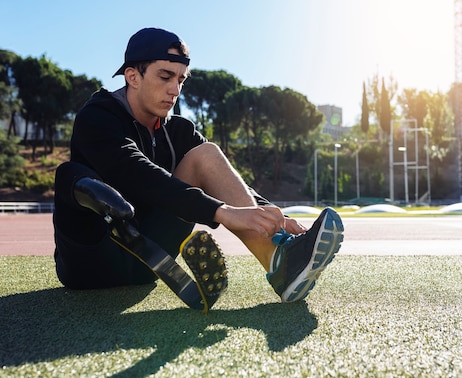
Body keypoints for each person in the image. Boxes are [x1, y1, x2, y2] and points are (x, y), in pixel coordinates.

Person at [53, 27, 344, 310]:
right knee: (71, 174)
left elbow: (226, 180)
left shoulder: (178, 130)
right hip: (90, 265)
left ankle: (281, 264)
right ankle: (282, 260)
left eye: (181, 80)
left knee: (206, 155)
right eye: (165, 76)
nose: (175, 89)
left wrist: (278, 218)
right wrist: (220, 212)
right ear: (133, 76)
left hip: (146, 264)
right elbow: (136, 172)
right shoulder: (98, 117)